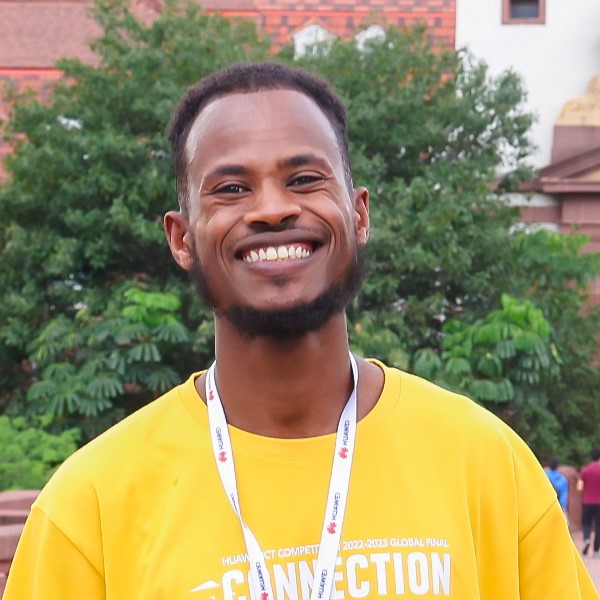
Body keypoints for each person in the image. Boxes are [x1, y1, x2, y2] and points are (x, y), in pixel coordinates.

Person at [5, 62, 598, 600]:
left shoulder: (486, 464)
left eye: (305, 179)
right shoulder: (89, 506)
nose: (271, 209)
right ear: (182, 239)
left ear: (359, 215)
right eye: (231, 189)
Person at [578, 447, 600, 556]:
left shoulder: (585, 470)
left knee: (587, 523)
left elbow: (579, 487)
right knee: (598, 526)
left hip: (587, 502)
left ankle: (587, 539)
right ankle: (596, 550)